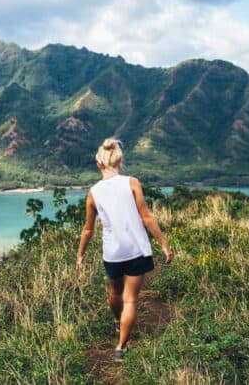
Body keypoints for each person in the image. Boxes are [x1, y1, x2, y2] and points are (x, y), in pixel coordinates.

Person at [76, 137, 174, 362]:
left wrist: (80, 256)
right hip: (136, 249)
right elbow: (147, 217)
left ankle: (117, 321)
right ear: (119, 161)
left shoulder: (93, 192)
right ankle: (121, 347)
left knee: (114, 293)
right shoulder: (131, 182)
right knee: (130, 299)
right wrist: (164, 244)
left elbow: (88, 230)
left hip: (112, 253)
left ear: (99, 164)